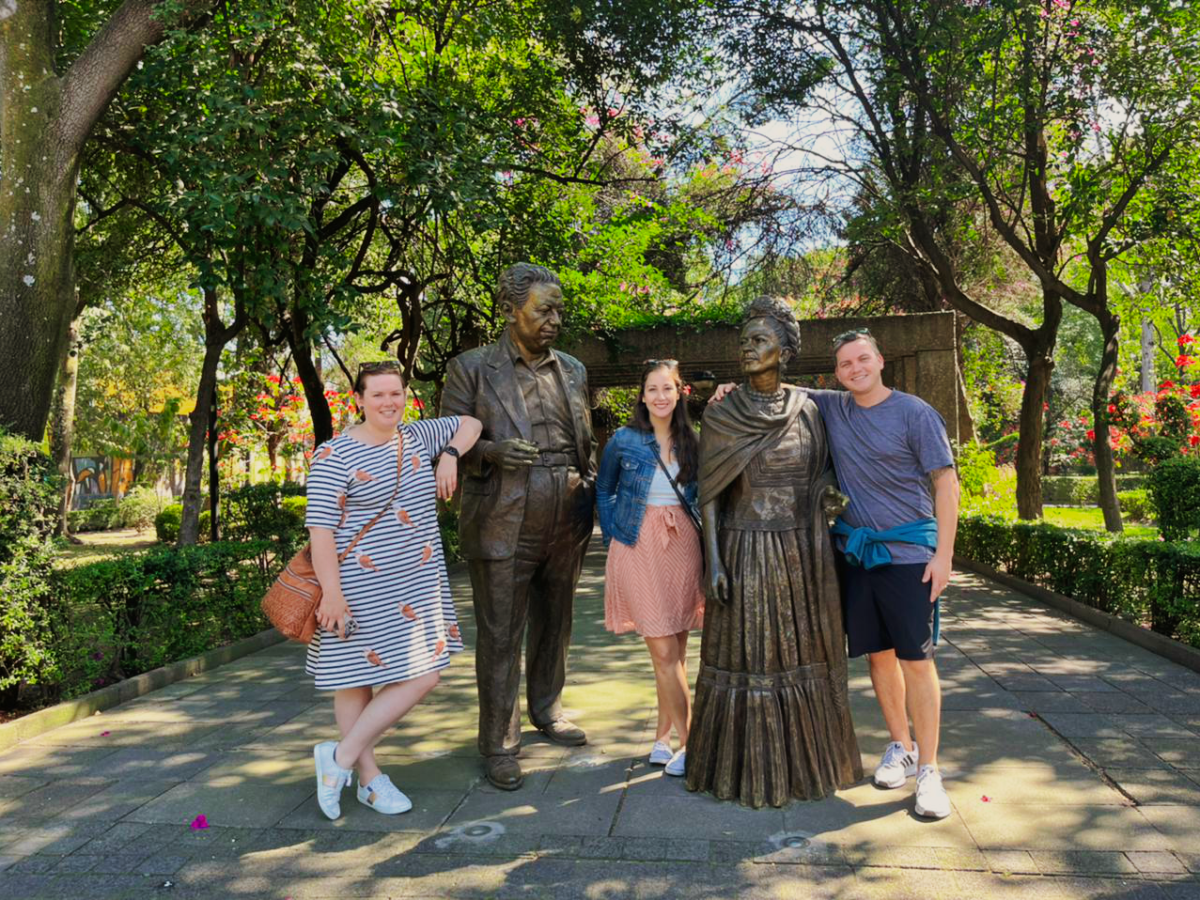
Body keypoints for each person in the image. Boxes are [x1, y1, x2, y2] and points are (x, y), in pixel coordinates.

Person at [711, 327, 960, 819]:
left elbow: (946, 484)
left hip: (909, 553)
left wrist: (944, 555)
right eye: (845, 364)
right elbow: (776, 387)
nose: (855, 370)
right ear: (837, 372)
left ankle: (930, 770)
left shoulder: (915, 413)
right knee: (878, 658)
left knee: (916, 660)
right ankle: (901, 747)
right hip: (857, 554)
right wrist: (725, 390)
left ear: (880, 359)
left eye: (862, 360)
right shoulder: (833, 406)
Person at [687, 297, 862, 808]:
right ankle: (740, 768)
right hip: (744, 547)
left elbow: (826, 468)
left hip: (800, 552)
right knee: (747, 655)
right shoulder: (722, 414)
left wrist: (827, 490)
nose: (748, 348)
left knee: (802, 652)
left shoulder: (809, 411)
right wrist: (714, 561)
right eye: (744, 341)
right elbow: (711, 494)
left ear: (785, 352)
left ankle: (807, 764)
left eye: (760, 340)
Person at [440, 263, 597, 791]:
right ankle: (500, 743)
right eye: (542, 310)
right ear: (511, 310)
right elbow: (448, 444)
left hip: (568, 510)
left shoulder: (572, 369)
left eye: (558, 310)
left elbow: (585, 440)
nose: (554, 319)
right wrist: (490, 451)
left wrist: (588, 486)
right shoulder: (472, 369)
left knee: (557, 621)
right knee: (502, 633)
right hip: (506, 510)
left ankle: (548, 709)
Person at [306, 360, 481, 820]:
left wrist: (451, 455)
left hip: (417, 584)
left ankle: (338, 758)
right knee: (354, 679)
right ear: (359, 400)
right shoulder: (334, 455)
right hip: (356, 587)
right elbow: (320, 532)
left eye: (396, 393)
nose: (389, 402)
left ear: (406, 396)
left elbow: (471, 423)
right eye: (378, 394)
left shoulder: (419, 437)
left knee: (424, 674)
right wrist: (332, 594)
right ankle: (367, 779)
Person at [596, 360, 705, 778]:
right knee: (661, 650)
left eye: (668, 388)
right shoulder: (624, 441)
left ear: (680, 394)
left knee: (676, 651)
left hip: (683, 543)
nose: (660, 396)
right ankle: (690, 744)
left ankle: (662, 739)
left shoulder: (692, 441)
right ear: (642, 396)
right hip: (638, 543)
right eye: (652, 389)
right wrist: (615, 538)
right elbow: (604, 489)